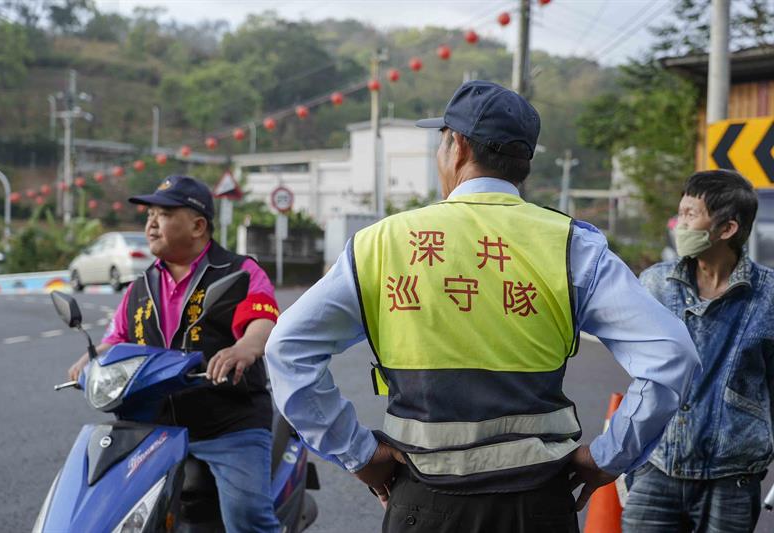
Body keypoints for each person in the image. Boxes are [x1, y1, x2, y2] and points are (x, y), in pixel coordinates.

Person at [264, 80, 700, 532]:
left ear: (458, 147)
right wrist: (611, 456)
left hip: (424, 503)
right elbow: (671, 355)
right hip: (540, 505)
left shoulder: (381, 243)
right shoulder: (572, 246)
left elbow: (287, 348)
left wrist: (359, 453)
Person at [67, 175, 281, 533]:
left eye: (164, 214)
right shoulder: (140, 286)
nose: (151, 223)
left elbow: (262, 319)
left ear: (198, 226)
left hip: (228, 424)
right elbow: (116, 340)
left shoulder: (240, 271)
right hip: (154, 425)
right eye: (149, 214)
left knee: (247, 516)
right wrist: (91, 360)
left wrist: (245, 347)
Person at [622, 170, 772, 533]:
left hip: (732, 477)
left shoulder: (767, 297)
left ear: (727, 229)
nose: (681, 224)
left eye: (691, 214)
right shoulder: (655, 284)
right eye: (680, 213)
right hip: (656, 466)